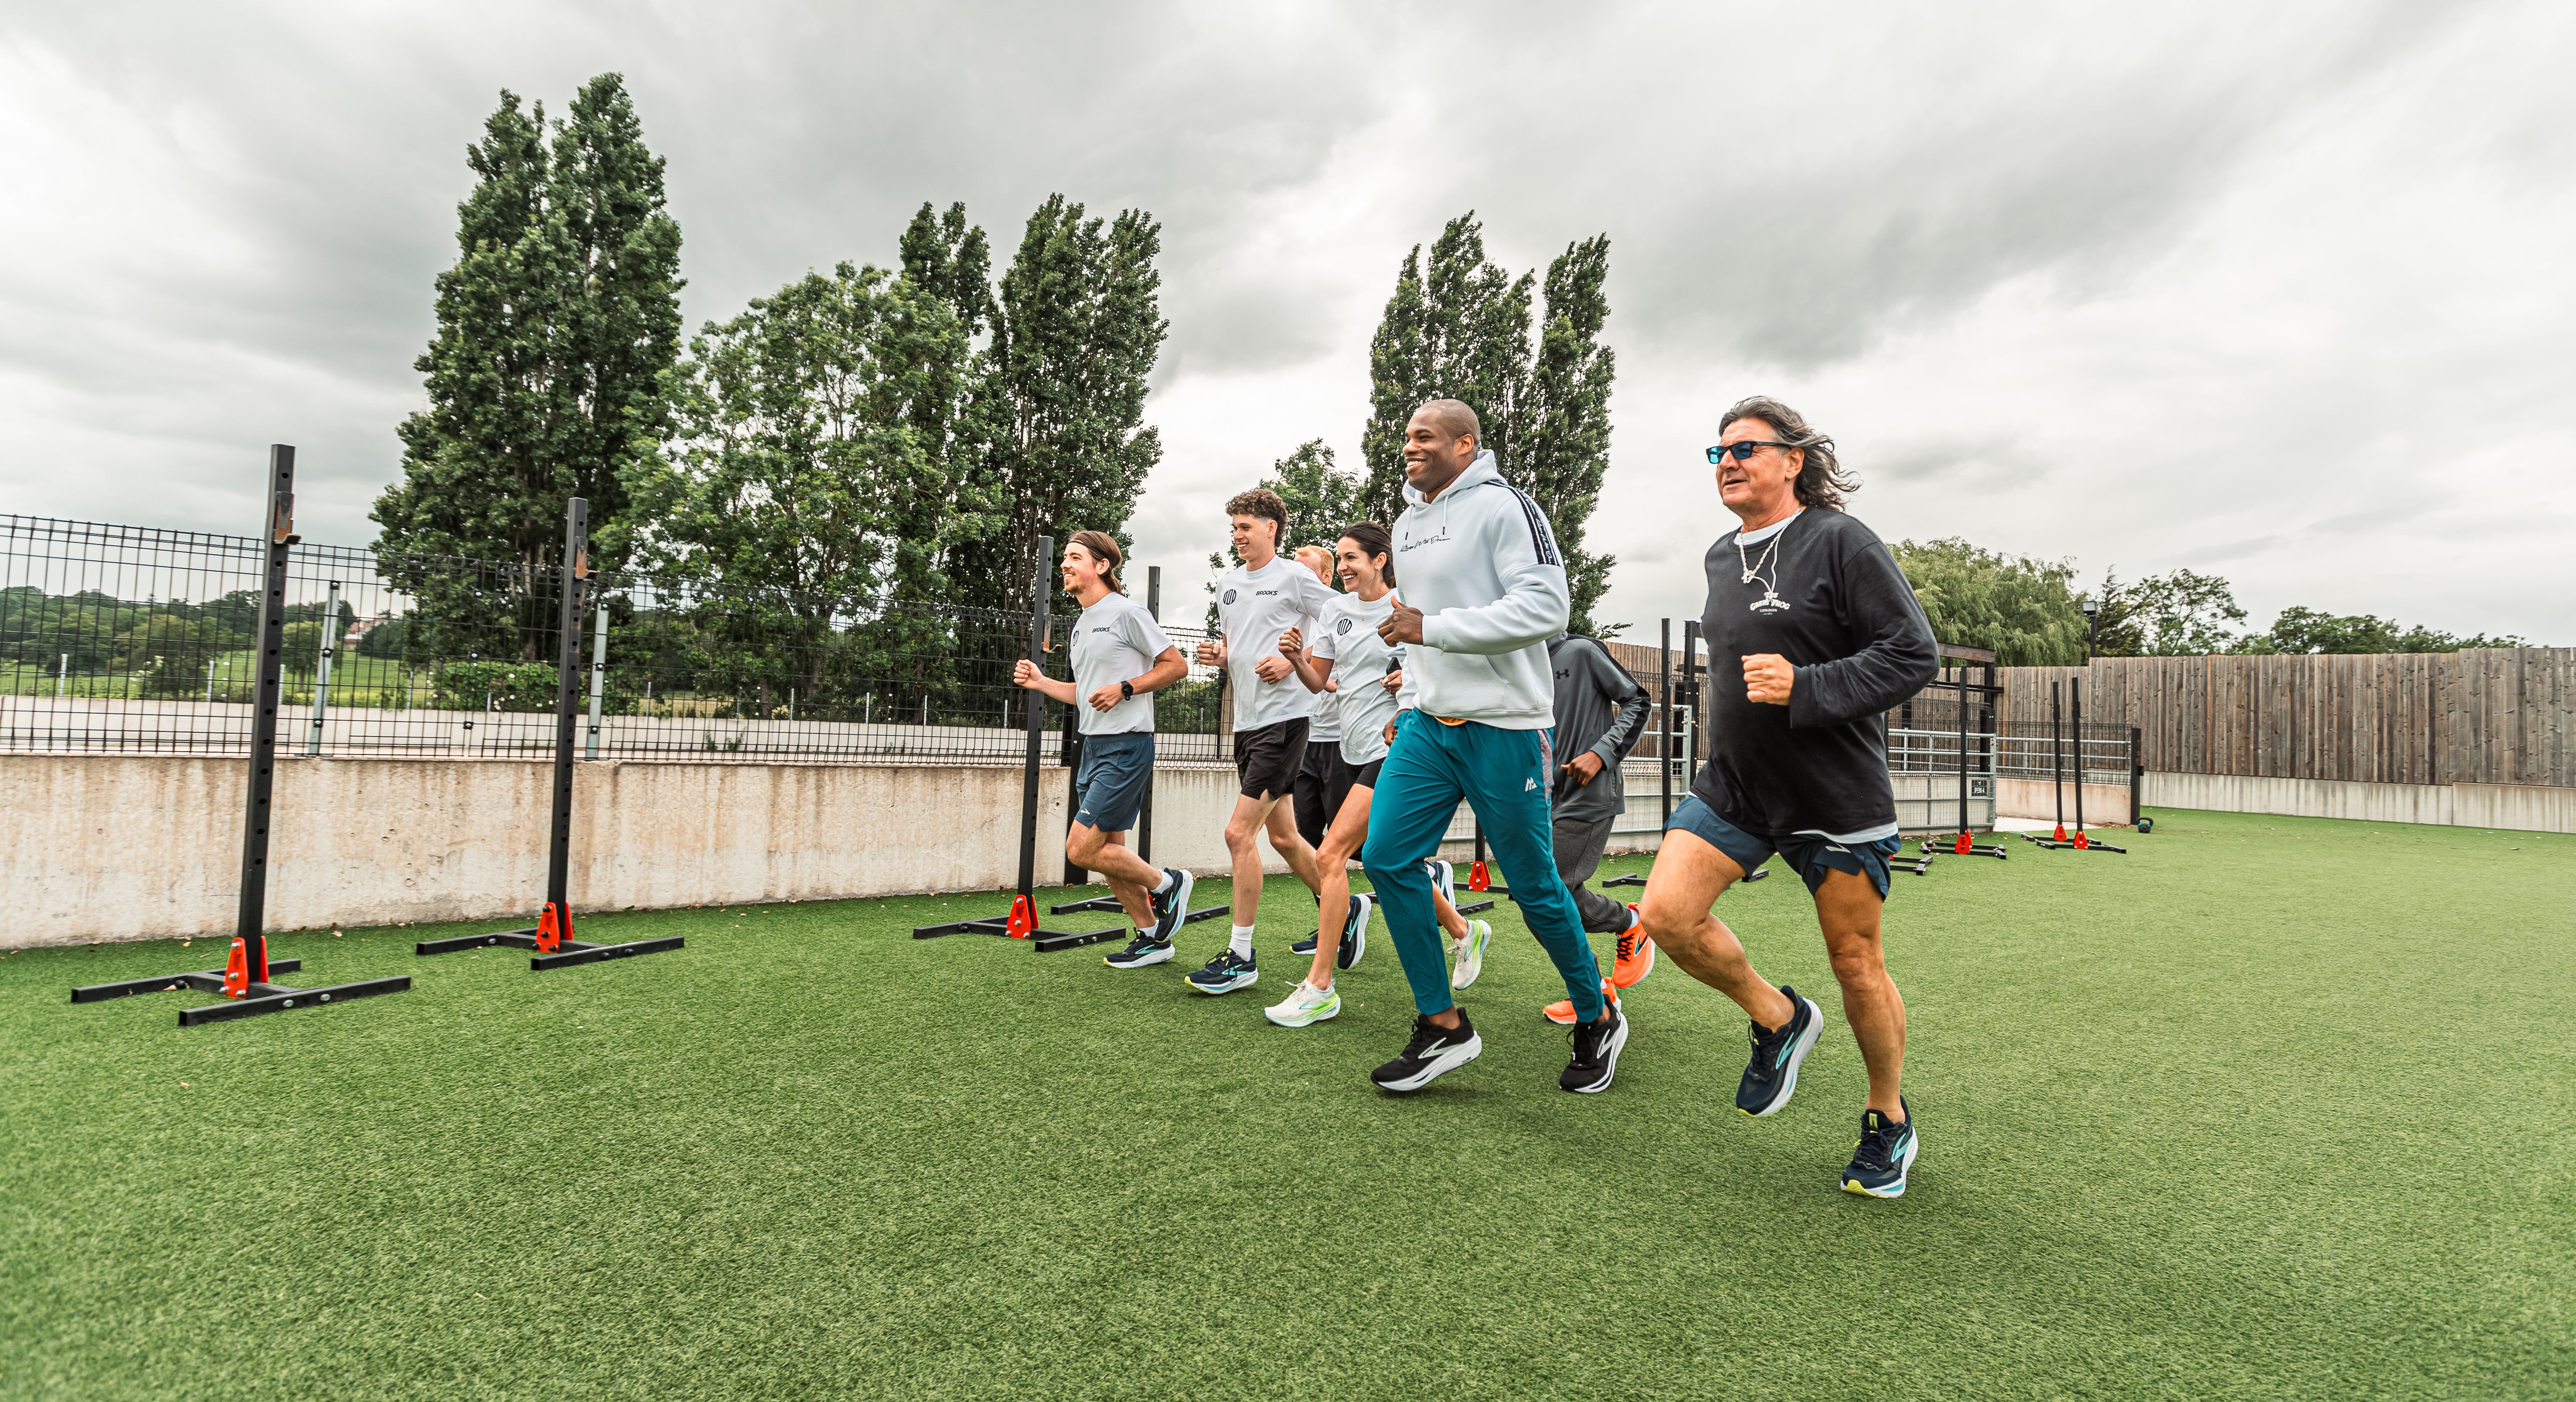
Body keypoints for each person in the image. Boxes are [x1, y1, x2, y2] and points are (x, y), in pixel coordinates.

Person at [1633, 395, 1938, 1198]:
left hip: (1833, 792)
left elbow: (1912, 654)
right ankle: (1777, 1017)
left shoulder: (1841, 542)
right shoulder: (1716, 556)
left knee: (1856, 963)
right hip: (1735, 784)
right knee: (1664, 914)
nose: (1727, 461)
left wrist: (1806, 685)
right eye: (1718, 452)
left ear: (1793, 459)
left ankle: (1888, 1118)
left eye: (1745, 448)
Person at [1357, 399, 1629, 1095]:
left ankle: (1597, 1014)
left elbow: (1546, 609)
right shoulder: (1408, 522)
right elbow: (1413, 629)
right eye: (1407, 438)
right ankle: (1443, 1026)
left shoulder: (1508, 507)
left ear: (1465, 443)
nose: (1410, 447)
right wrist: (1412, 696)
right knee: (1387, 857)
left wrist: (1433, 629)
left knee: (1537, 889)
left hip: (1505, 725)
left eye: (1425, 438)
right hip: (1429, 725)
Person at [1262, 525, 1493, 1029]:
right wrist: (1298, 658)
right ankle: (1461, 928)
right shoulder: (1334, 611)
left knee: (1331, 855)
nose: (1343, 567)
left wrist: (1406, 685)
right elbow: (1320, 682)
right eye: (1340, 559)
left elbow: (1440, 665)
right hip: (1349, 747)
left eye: (1352, 558)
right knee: (1383, 859)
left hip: (1396, 745)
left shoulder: (1407, 604)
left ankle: (1320, 986)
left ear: (1380, 560)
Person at [1009, 532, 1198, 965]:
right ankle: (1152, 936)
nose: (1066, 565)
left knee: (1081, 850)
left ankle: (1170, 884)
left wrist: (1127, 688)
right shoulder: (1080, 624)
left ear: (1102, 566)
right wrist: (1041, 682)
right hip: (1092, 747)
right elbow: (1088, 692)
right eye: (1066, 559)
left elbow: (1176, 666)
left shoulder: (1128, 613)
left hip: (1127, 746)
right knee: (1110, 853)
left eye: (1076, 558)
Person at [1189, 491, 1338, 994]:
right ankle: (1347, 907)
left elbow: (1340, 622)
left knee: (1238, 834)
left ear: (1272, 528)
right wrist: (1222, 654)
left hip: (1287, 719)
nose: (1237, 534)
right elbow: (1241, 644)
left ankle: (1242, 955)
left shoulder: (1296, 578)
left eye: (1246, 525)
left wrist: (1297, 663)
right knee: (1283, 838)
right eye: (1234, 526)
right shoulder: (1228, 585)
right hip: (1246, 723)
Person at [1534, 630, 1656, 1024]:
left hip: (1587, 793)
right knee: (1543, 899)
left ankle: (1628, 929)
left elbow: (1638, 700)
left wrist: (1601, 754)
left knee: (1548, 898)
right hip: (1537, 797)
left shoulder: (1582, 652)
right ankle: (1594, 983)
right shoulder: (1514, 659)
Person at [1287, 544, 1357, 858]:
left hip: (1339, 740)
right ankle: (1340, 904)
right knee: (1302, 835)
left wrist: (1324, 678)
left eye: (1303, 573)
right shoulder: (1288, 619)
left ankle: (1430, 875)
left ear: (1326, 577)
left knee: (1353, 843)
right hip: (1302, 738)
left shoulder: (1345, 613)